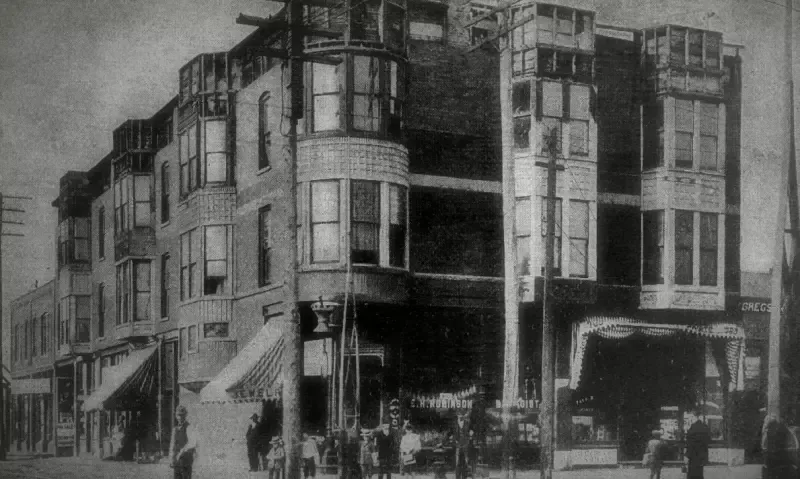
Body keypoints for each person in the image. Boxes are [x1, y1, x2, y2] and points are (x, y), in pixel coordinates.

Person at [169, 405, 198, 479]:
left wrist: (182, 451)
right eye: (178, 415)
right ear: (176, 416)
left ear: (185, 415)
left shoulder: (189, 427)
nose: (180, 417)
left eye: (182, 415)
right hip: (177, 461)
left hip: (186, 460)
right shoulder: (175, 429)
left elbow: (192, 443)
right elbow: (172, 445)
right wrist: (171, 458)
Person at [761, 415, 792, 479]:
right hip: (780, 453)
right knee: (780, 472)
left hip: (771, 453)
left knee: (771, 471)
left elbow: (765, 441)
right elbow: (787, 437)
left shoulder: (769, 431)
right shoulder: (782, 429)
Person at [684, 410, 710, 479]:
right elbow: (707, 441)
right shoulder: (704, 427)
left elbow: (691, 444)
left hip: (693, 456)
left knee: (692, 475)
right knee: (699, 474)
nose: (689, 419)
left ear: (693, 416)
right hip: (701, 457)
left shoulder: (693, 429)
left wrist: (687, 455)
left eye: (689, 417)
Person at [453, 412, 473, 479]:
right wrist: (454, 439)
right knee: (457, 463)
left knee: (465, 462)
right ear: (457, 415)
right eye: (459, 414)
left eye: (462, 414)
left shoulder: (467, 423)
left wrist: (471, 433)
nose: (461, 416)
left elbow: (471, 431)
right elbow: (451, 433)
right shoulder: (454, 424)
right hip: (457, 446)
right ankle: (458, 477)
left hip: (465, 445)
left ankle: (464, 477)